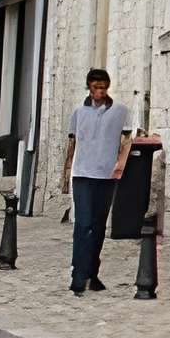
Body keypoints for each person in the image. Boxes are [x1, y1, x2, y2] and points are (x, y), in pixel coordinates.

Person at [62, 68, 131, 294]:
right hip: (82, 174)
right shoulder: (79, 113)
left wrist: (120, 164)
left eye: (103, 87)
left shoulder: (120, 111)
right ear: (89, 87)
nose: (99, 91)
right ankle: (78, 274)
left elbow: (127, 139)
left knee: (99, 225)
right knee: (83, 224)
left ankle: (92, 272)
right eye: (95, 87)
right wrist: (65, 174)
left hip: (107, 175)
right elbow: (71, 144)